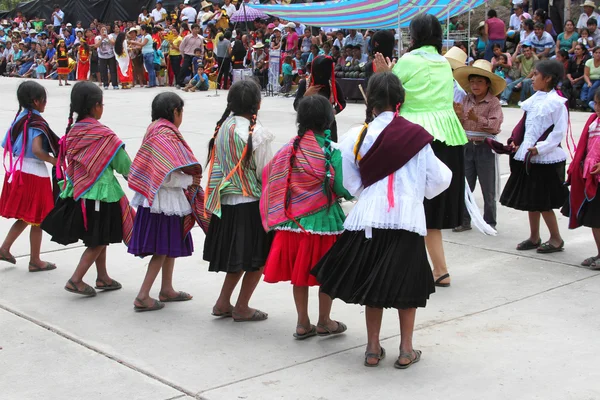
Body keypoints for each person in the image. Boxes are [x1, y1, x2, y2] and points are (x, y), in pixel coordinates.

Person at [311, 72, 451, 368]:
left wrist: (369, 192)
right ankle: (406, 350)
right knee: (407, 287)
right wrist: (413, 193)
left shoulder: (357, 135)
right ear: (400, 101)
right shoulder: (416, 135)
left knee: (372, 285)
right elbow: (439, 179)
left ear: (370, 102)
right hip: (407, 219)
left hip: (369, 219)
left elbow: (350, 183)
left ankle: (372, 349)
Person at [374, 14, 467, 288]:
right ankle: (440, 269)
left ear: (413, 36)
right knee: (431, 209)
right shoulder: (443, 63)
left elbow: (391, 96)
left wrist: (384, 75)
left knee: (407, 204)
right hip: (448, 137)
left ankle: (405, 268)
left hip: (414, 139)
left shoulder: (407, 61)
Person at [261, 95, 351, 339]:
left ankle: (302, 322)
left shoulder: (290, 147)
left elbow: (270, 174)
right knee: (326, 273)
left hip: (293, 222)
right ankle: (324, 320)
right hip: (324, 222)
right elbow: (341, 187)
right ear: (328, 121)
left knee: (299, 275)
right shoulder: (331, 151)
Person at [41, 82, 134, 297]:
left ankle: (102, 276)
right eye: (101, 104)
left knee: (99, 237)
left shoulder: (74, 131)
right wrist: (137, 178)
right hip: (102, 196)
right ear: (94, 106)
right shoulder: (103, 135)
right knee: (99, 240)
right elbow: (123, 163)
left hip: (80, 194)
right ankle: (76, 280)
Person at [203, 80, 274, 322]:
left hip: (226, 204)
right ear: (258, 104)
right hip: (250, 205)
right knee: (256, 260)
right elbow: (266, 174)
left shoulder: (223, 127)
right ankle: (241, 306)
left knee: (238, 259)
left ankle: (223, 302)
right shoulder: (257, 134)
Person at [128, 92, 205, 312]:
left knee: (169, 245)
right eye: (181, 112)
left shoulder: (154, 129)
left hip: (158, 200)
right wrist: (190, 179)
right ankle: (143, 295)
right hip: (163, 201)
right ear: (175, 112)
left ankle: (167, 289)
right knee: (161, 249)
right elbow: (163, 175)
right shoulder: (165, 135)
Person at [497, 60, 569, 253]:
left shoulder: (557, 103)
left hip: (544, 158)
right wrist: (516, 139)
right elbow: (525, 125)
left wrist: (541, 148)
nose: (533, 78)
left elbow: (558, 132)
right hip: (527, 155)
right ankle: (534, 236)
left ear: (548, 79)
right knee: (532, 199)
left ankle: (556, 238)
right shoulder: (533, 100)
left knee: (543, 201)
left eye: (536, 74)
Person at [0, 81, 59, 272]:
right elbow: (36, 149)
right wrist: (52, 160)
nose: (45, 103)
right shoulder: (36, 122)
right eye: (44, 100)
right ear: (36, 101)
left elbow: (5, 143)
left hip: (17, 171)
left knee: (28, 216)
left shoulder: (20, 117)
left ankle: (5, 248)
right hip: (35, 173)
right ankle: (35, 260)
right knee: (39, 218)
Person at [452, 60, 506, 232]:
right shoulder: (466, 99)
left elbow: (495, 126)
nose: (475, 85)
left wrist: (477, 119)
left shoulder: (493, 103)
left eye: (479, 82)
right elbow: (460, 125)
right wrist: (459, 117)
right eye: (473, 82)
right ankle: (464, 220)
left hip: (484, 147)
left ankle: (490, 221)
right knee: (465, 185)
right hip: (467, 145)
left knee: (487, 187)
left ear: (487, 84)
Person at [563, 88, 600, 269]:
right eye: (596, 103)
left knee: (597, 219)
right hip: (590, 176)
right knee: (594, 219)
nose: (597, 107)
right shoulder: (593, 121)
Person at [293, 56, 346, 142]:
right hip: (308, 127)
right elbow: (296, 106)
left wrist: (334, 110)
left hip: (329, 126)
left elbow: (342, 103)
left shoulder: (333, 84)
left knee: (329, 152)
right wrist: (306, 96)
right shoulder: (305, 84)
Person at [500, 42, 538, 106]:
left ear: (531, 50)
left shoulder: (535, 59)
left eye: (527, 51)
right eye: (524, 51)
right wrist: (517, 50)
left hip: (532, 78)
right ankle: (504, 100)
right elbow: (511, 61)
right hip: (523, 77)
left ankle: (522, 100)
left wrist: (521, 83)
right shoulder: (522, 56)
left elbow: (532, 73)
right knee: (510, 85)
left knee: (525, 82)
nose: (526, 53)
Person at [563, 43, 590, 108]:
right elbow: (568, 72)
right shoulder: (572, 59)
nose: (576, 51)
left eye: (578, 49)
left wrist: (577, 79)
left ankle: (576, 104)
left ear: (583, 51)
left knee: (576, 86)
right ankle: (567, 102)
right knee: (564, 85)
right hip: (571, 78)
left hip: (582, 78)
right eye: (575, 49)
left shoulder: (587, 59)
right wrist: (571, 79)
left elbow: (586, 73)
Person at [581, 46, 600, 110]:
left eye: (599, 53)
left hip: (598, 79)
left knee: (593, 87)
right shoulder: (589, 62)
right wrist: (588, 82)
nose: (598, 54)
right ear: (593, 53)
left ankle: (587, 104)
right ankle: (583, 101)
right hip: (590, 79)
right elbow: (586, 75)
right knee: (585, 87)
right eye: (596, 53)